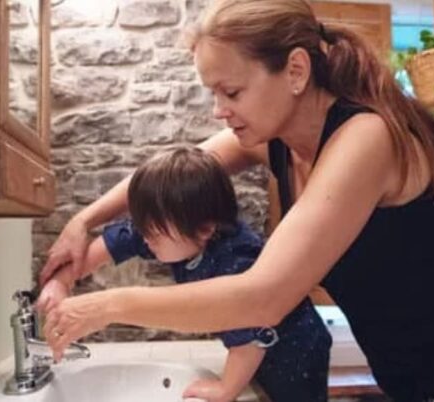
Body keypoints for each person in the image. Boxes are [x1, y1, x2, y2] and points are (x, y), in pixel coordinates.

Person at [38, 0, 434, 401]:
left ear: (296, 71)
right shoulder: (276, 138)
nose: (220, 111)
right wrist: (84, 223)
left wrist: (106, 306)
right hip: (413, 365)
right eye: (213, 94)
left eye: (231, 92)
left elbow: (264, 296)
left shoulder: (364, 139)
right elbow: (172, 177)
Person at [36, 146, 332, 402]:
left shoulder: (236, 260)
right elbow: (108, 247)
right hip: (255, 339)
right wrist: (61, 281)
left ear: (205, 229)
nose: (145, 239)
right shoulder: (171, 226)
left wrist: (227, 388)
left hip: (296, 348)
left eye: (152, 233)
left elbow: (251, 332)